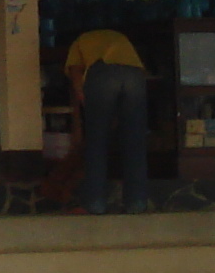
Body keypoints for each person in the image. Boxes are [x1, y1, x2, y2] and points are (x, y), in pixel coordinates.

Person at [62, 28, 150, 213]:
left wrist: (86, 102)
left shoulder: (80, 41)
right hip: (134, 75)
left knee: (97, 143)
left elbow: (76, 71)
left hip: (102, 74)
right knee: (135, 142)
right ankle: (137, 203)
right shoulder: (119, 36)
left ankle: (95, 203)